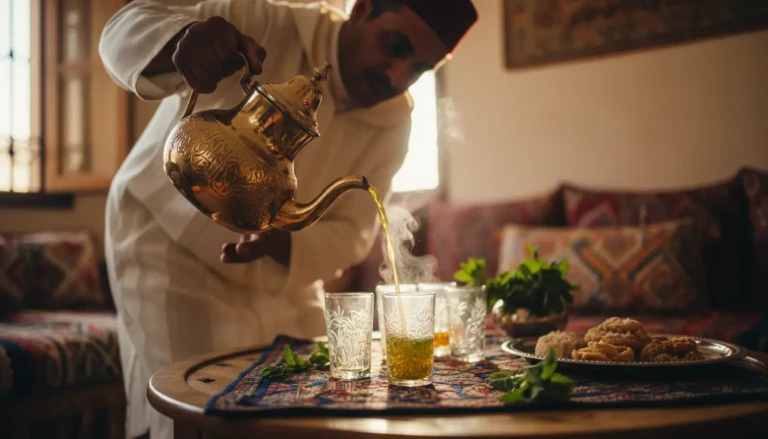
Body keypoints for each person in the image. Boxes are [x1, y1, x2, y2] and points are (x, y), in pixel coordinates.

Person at [99, 0, 477, 437]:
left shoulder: (395, 121)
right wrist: (181, 42)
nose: (396, 75)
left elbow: (355, 231)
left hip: (282, 279)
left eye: (418, 69)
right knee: (200, 413)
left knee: (328, 403)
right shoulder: (269, 23)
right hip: (166, 246)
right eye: (394, 46)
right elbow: (119, 31)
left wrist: (285, 243)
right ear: (363, 9)